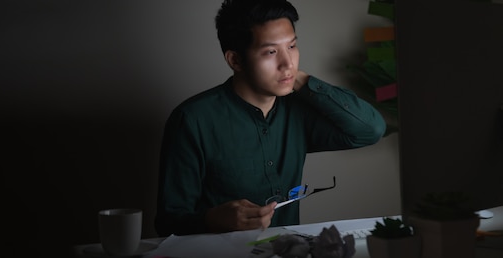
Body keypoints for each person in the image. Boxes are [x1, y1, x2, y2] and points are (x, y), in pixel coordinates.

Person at [154, 0, 386, 237]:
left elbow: (370, 129)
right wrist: (213, 219)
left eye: (292, 46)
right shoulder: (193, 120)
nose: (288, 63)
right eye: (271, 52)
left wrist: (300, 81)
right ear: (235, 60)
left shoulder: (298, 110)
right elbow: (168, 222)